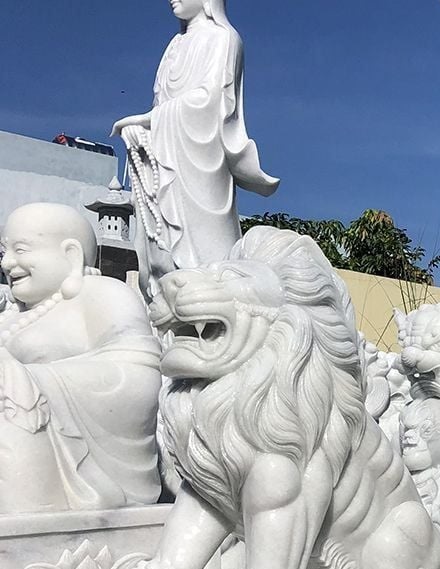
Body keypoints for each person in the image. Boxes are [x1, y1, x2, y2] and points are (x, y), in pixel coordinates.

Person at [0, 203, 162, 513]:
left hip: (63, 452)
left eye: (20, 250)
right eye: (4, 251)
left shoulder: (101, 293)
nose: (7, 262)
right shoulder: (11, 315)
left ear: (71, 255)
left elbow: (141, 373)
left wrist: (29, 381)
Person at [112, 0, 279, 297]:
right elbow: (161, 103)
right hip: (166, 150)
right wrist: (144, 130)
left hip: (201, 155)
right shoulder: (174, 45)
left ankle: (215, 295)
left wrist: (150, 120)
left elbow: (212, 100)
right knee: (161, 248)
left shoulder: (223, 38)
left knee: (208, 257)